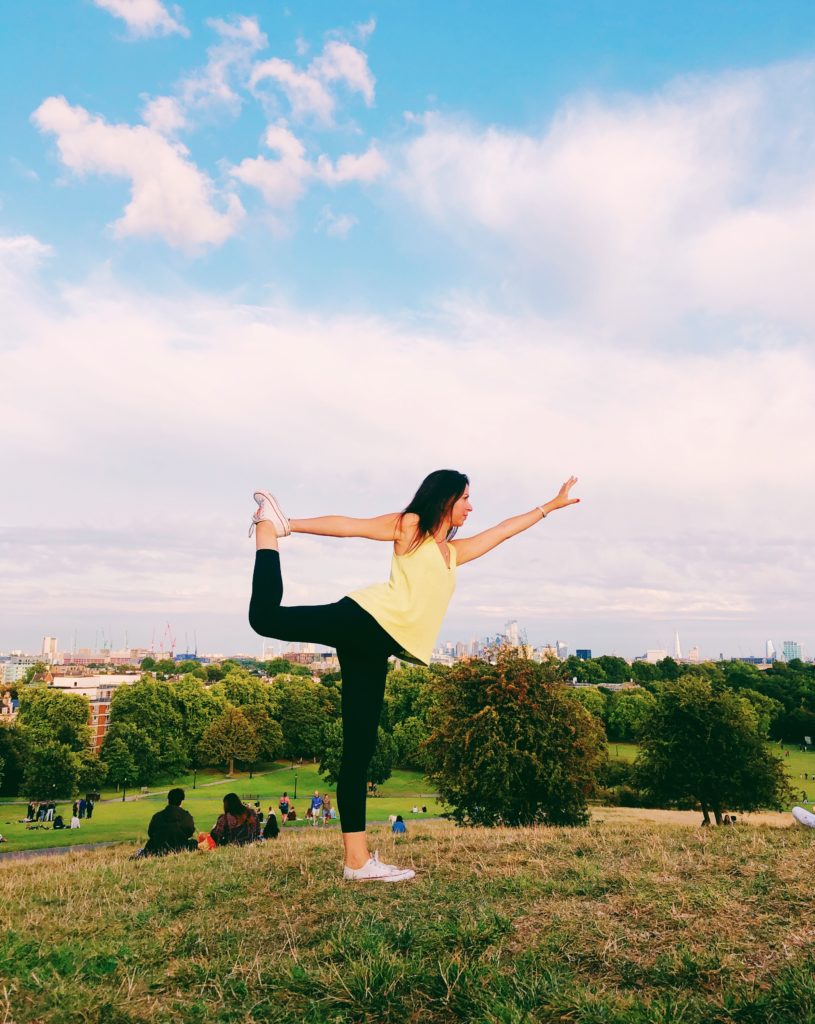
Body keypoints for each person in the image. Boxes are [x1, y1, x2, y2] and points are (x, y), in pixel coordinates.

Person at [248, 472, 580, 882]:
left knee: (359, 752)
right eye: (465, 498)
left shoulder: (452, 553)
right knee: (265, 618)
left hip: (375, 647)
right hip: (362, 619)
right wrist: (290, 525)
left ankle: (357, 862)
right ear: (445, 499)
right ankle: (268, 528)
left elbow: (502, 531)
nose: (470, 507)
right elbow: (350, 526)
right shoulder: (411, 527)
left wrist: (549, 506)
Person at [142, 788, 197, 857]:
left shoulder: (157, 816)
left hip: (157, 848)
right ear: (182, 801)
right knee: (194, 843)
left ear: (168, 800)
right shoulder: (186, 816)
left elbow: (150, 833)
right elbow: (190, 832)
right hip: (179, 847)